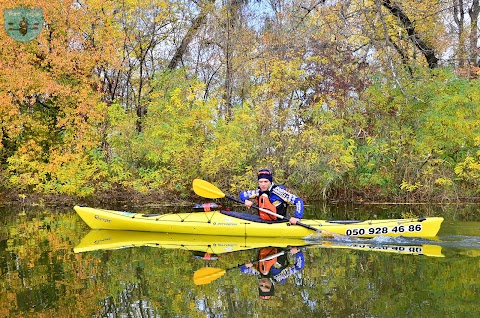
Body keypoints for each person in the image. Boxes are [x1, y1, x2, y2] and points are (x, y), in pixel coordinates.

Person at [239, 168, 304, 224]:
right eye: (260, 182)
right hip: (263, 221)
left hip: (279, 222)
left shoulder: (279, 191)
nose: (263, 184)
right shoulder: (258, 192)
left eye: (265, 181)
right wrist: (246, 200)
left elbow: (298, 201)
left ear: (270, 182)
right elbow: (243, 194)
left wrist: (297, 217)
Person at [240, 246, 305, 300]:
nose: (263, 283)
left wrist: (246, 265)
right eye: (267, 286)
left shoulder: (257, 272)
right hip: (280, 245)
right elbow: (299, 267)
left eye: (261, 285)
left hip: (263, 245)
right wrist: (298, 252)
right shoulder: (281, 275)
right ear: (272, 285)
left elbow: (243, 269)